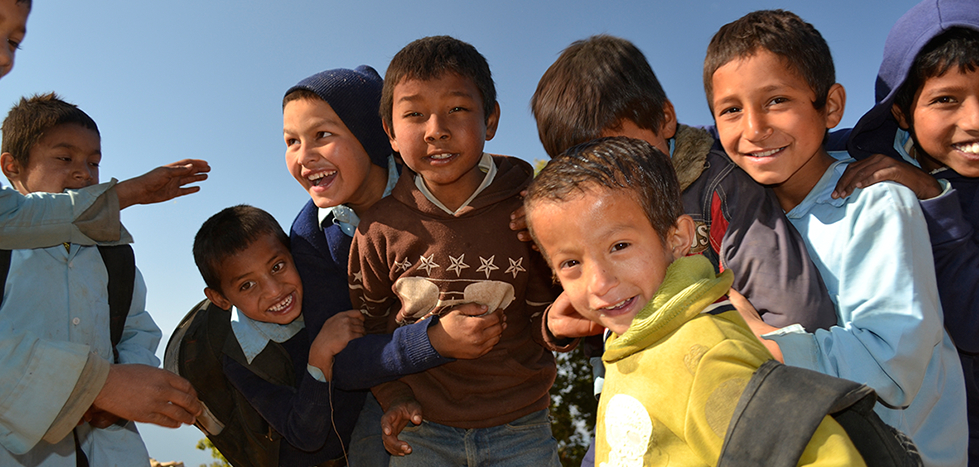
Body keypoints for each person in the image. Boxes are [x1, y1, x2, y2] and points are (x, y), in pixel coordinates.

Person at [704, 9, 968, 467]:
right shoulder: (739, 222)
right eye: (731, 110)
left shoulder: (875, 202)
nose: (753, 129)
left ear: (830, 106)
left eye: (776, 101)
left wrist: (759, 340)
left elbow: (890, 361)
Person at [524, 136, 865, 466]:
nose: (599, 282)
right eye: (571, 264)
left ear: (678, 239)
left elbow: (824, 456)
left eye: (619, 246)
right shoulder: (634, 337)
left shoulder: (702, 352)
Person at [530, 34, 836, 341]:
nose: (609, 175)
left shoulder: (722, 188)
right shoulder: (581, 214)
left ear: (665, 119)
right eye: (585, 164)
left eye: (620, 148)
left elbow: (797, 315)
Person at [349, 35, 564, 465]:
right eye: (414, 114)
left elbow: (548, 316)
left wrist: (563, 322)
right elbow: (370, 333)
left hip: (522, 426)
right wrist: (395, 396)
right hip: (422, 430)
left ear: (491, 120)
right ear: (391, 133)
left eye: (458, 109)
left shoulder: (534, 209)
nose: (436, 130)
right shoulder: (376, 231)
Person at [283, 66, 507, 464]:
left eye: (322, 135)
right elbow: (344, 357)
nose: (304, 156)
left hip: (490, 387)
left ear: (372, 135)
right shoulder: (312, 238)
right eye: (291, 141)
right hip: (385, 387)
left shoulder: (439, 178)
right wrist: (431, 342)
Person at [0, 93, 201, 466]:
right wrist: (93, 389)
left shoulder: (113, 252)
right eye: (64, 158)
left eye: (94, 163)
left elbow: (135, 329)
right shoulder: (6, 248)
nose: (83, 173)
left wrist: (126, 381)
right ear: (12, 167)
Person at [839, 0, 979, 462]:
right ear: (900, 111)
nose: (975, 119)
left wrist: (934, 199)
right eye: (946, 99)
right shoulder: (850, 159)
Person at [193, 205, 366, 466]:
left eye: (277, 266)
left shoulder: (324, 292)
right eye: (247, 285)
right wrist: (319, 356)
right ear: (220, 298)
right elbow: (305, 434)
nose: (274, 291)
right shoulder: (242, 359)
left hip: (366, 438)